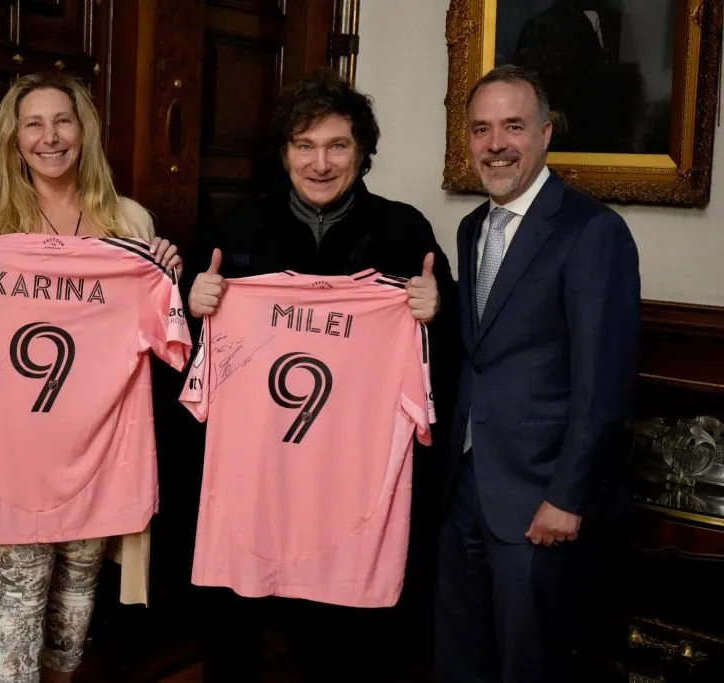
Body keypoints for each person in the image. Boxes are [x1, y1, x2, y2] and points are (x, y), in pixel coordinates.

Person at [184, 67, 460, 682]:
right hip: (257, 477)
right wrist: (195, 299)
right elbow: (188, 333)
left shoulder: (403, 230)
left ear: (362, 153)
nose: (321, 162)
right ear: (284, 152)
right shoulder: (237, 229)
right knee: (235, 632)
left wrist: (436, 310)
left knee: (342, 639)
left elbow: (445, 342)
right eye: (304, 145)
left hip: (348, 482)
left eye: (338, 145)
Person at [0, 72, 183, 683]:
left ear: (84, 132)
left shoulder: (130, 221)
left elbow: (162, 330)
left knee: (73, 609)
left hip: (99, 450)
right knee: (17, 606)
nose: (50, 137)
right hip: (15, 458)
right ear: (14, 139)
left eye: (62, 121)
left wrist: (165, 271)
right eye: (33, 123)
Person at [434, 64, 640, 683]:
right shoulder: (472, 229)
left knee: (529, 665)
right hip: (465, 485)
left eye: (513, 127)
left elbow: (603, 381)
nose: (495, 144)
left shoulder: (593, 231)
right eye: (481, 129)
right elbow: (484, 351)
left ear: (546, 134)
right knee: (460, 656)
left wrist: (566, 498)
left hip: (539, 498)